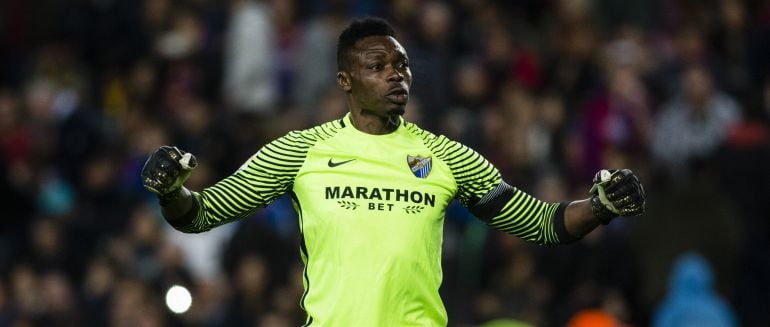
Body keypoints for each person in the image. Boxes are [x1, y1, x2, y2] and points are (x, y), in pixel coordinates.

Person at [140, 17, 646, 326]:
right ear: (345, 79)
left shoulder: (447, 156)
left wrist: (600, 207)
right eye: (378, 65)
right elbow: (199, 215)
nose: (395, 75)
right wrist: (171, 192)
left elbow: (543, 223)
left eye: (400, 65)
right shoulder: (299, 151)